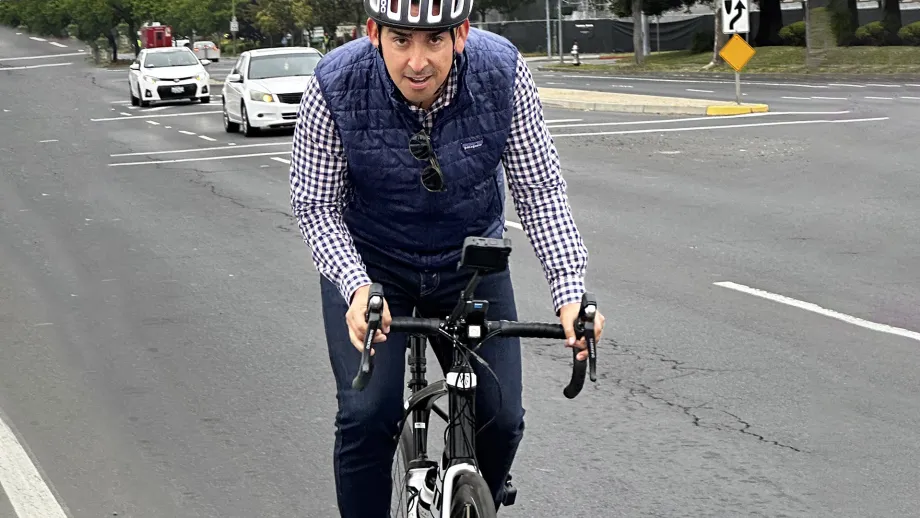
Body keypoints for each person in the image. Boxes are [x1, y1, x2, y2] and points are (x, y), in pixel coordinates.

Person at [289, 0, 606, 515]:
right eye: (401, 40)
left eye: (434, 39)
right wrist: (356, 285)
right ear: (373, 33)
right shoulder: (333, 84)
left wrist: (570, 294)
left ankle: (476, 492)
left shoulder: (502, 72)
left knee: (502, 419)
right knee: (367, 415)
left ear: (460, 34)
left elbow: (540, 188)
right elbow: (316, 205)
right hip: (373, 268)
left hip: (470, 266)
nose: (418, 61)